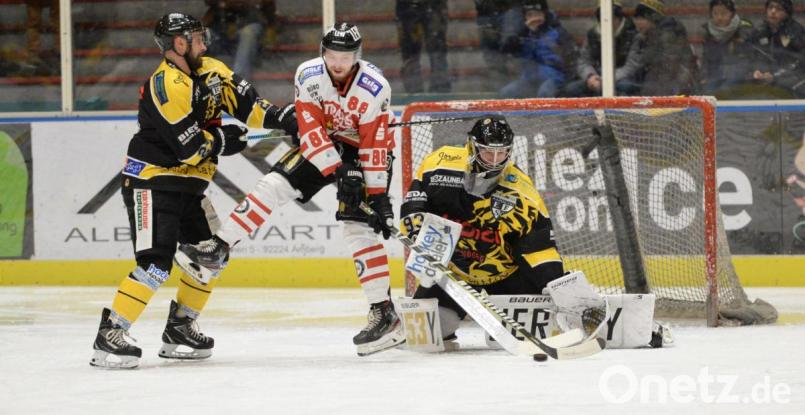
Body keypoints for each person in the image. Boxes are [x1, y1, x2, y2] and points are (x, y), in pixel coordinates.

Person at [175, 23, 404, 356]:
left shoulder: (374, 87)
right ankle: (219, 249)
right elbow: (310, 129)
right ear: (322, 52)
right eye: (332, 55)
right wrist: (340, 172)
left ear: (358, 56)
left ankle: (385, 314)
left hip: (363, 151)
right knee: (273, 184)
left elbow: (375, 147)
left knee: (358, 228)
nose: (338, 63)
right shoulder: (308, 74)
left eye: (346, 57)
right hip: (324, 143)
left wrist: (378, 198)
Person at [89, 13, 298, 369]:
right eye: (197, 38)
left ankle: (181, 327)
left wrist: (287, 119)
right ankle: (111, 332)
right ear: (179, 44)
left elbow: (250, 108)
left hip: (191, 187)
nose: (205, 43)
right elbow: (189, 148)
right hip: (152, 183)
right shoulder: (164, 85)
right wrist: (222, 139)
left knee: (211, 257)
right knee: (155, 264)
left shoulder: (213, 70)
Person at [399, 115, 565, 343]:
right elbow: (413, 208)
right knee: (424, 338)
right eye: (488, 152)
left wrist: (552, 282)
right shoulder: (439, 164)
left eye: (502, 152)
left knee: (513, 340)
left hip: (505, 274)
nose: (495, 160)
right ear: (472, 146)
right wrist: (417, 232)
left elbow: (539, 245)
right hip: (453, 273)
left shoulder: (521, 191)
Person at [563, 1, 641, 97]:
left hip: (621, 78)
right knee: (571, 89)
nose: (608, 22)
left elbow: (631, 66)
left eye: (613, 19)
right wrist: (590, 76)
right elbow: (583, 61)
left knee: (626, 87)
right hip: (596, 77)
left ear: (620, 18)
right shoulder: (592, 35)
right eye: (603, 19)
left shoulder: (633, 35)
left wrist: (608, 80)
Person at [500, 0, 577, 98]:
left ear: (545, 14)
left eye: (537, 14)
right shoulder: (523, 34)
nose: (534, 18)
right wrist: (524, 31)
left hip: (554, 77)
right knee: (507, 93)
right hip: (528, 79)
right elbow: (506, 49)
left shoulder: (557, 32)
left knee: (545, 92)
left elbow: (571, 57)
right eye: (530, 15)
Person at [631, 0, 698, 96]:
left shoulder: (668, 35)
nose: (637, 22)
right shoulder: (643, 37)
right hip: (660, 85)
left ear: (653, 19)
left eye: (642, 18)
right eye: (636, 18)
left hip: (675, 87)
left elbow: (668, 68)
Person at [203, 0, 276, 79]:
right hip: (221, 28)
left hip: (250, 24)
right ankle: (198, 78)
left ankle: (238, 81)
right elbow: (209, 2)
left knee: (248, 33)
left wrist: (235, 3)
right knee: (202, 34)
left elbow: (267, 3)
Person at [748, 0, 805, 98]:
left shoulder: (796, 32)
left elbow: (800, 62)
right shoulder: (759, 31)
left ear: (787, 13)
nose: (773, 11)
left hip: (790, 80)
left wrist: (774, 76)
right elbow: (749, 57)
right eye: (770, 8)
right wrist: (755, 71)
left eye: (779, 9)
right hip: (763, 79)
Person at [699, 0, 757, 96]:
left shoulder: (745, 30)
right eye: (715, 13)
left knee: (724, 91)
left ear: (732, 14)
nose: (719, 17)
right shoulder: (708, 32)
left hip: (739, 78)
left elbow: (751, 58)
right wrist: (703, 76)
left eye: (724, 13)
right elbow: (706, 59)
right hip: (715, 77)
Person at [395, 0, 451, 93]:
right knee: (411, 54)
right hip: (409, 5)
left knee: (437, 52)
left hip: (432, 5)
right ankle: (415, 94)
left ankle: (439, 92)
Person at [474, 0, 524, 90]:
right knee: (493, 59)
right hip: (487, 14)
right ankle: (502, 92)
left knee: (514, 49)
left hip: (510, 9)